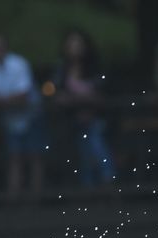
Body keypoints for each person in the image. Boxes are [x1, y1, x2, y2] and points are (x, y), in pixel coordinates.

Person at [0, 32, 45, 199]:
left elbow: (23, 95)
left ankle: (37, 197)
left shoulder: (19, 63)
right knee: (14, 158)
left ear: (6, 46)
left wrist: (0, 101)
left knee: (35, 156)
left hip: (31, 115)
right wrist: (8, 101)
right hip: (9, 119)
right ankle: (15, 198)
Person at [52, 29, 114, 187]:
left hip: (96, 119)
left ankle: (109, 183)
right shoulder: (62, 70)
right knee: (84, 156)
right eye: (72, 44)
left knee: (98, 148)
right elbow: (57, 95)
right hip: (74, 121)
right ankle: (89, 189)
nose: (75, 47)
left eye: (78, 44)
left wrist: (79, 99)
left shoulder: (95, 67)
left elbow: (102, 93)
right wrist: (77, 100)